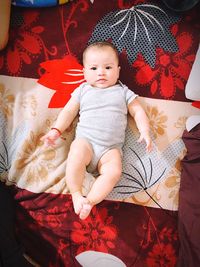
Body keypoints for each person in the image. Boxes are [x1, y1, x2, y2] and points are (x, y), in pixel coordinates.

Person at [41, 41, 152, 220]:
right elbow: (68, 111)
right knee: (75, 155)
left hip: (110, 149)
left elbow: (138, 111)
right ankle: (77, 195)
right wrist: (56, 130)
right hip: (86, 142)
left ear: (118, 70)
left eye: (108, 67)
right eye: (93, 68)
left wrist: (145, 131)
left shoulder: (123, 92)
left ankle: (89, 201)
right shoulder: (82, 90)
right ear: (84, 72)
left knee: (114, 172)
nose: (101, 72)